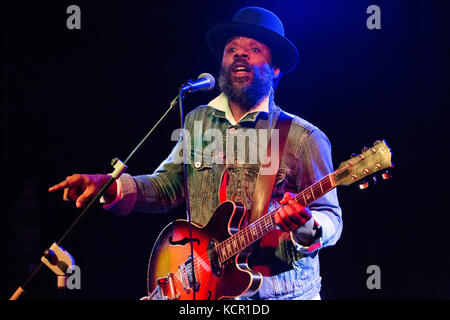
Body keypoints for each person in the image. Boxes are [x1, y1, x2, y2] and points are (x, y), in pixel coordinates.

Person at [49, 7, 342, 300]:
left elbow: (330, 217)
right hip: (206, 289)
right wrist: (110, 186)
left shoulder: (303, 137)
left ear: (275, 68)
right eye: (232, 49)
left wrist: (307, 227)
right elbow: (168, 187)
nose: (240, 55)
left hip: (281, 294)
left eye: (254, 49)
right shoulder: (197, 121)